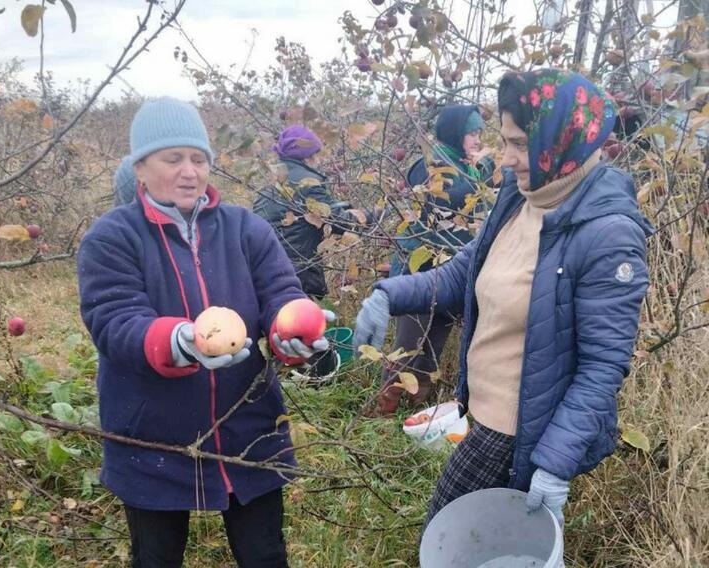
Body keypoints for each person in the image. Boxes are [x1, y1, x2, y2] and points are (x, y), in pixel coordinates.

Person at [353, 69, 653, 528]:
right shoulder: (523, 195)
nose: (506, 159)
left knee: (451, 535)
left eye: (519, 144)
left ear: (559, 142)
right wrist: (387, 294)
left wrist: (554, 463)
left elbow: (602, 365)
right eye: (504, 141)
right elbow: (462, 274)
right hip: (484, 411)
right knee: (484, 542)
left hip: (520, 432)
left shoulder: (607, 234)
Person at [77, 97, 333, 567]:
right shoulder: (112, 237)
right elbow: (114, 321)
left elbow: (280, 292)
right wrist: (181, 341)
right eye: (172, 159)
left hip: (247, 426)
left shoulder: (244, 228)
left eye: (198, 159)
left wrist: (290, 330)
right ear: (140, 167)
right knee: (156, 558)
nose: (189, 171)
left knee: (265, 556)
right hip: (152, 433)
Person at [374, 105, 494, 415]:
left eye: (480, 132)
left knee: (433, 347)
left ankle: (418, 410)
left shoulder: (471, 167)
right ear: (455, 132)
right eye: (471, 132)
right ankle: (383, 413)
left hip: (451, 273)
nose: (477, 139)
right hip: (422, 271)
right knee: (408, 344)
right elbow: (431, 217)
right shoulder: (432, 165)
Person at [253, 124, 376, 299]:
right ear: (307, 157)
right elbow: (343, 223)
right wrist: (377, 213)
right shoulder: (307, 183)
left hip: (265, 276)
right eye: (316, 154)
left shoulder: (269, 186)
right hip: (297, 279)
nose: (319, 161)